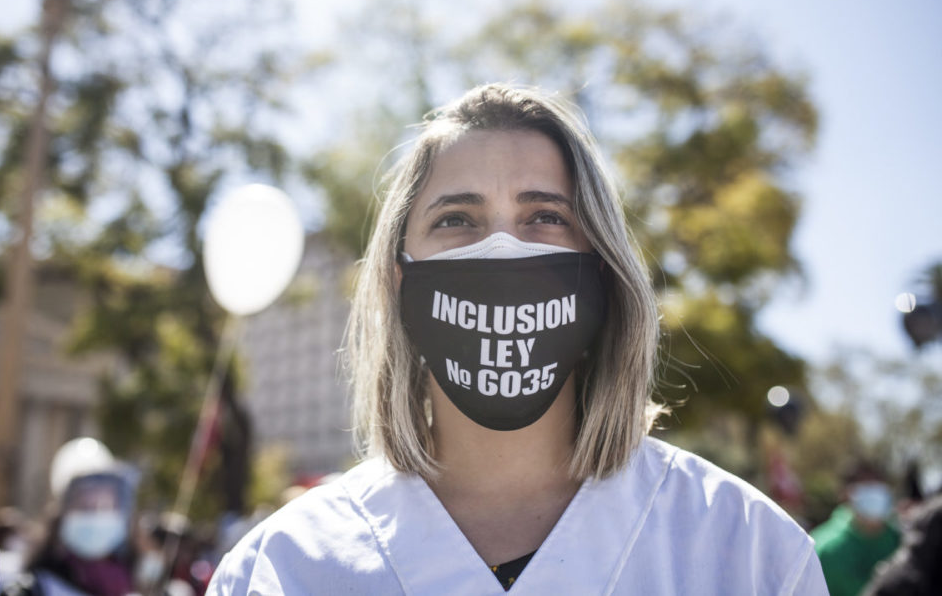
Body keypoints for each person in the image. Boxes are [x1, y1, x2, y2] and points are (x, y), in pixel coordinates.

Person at [207, 84, 828, 594]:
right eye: (456, 219)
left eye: (546, 216)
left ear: (602, 268)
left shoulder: (748, 553)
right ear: (399, 277)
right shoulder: (280, 570)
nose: (503, 249)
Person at [1, 466, 138, 596]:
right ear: (64, 515)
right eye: (85, 507)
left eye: (106, 508)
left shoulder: (128, 584)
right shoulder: (33, 589)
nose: (95, 516)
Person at [810, 462, 901, 596]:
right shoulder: (823, 547)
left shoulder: (903, 540)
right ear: (846, 494)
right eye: (866, 486)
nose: (874, 492)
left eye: (877, 484)